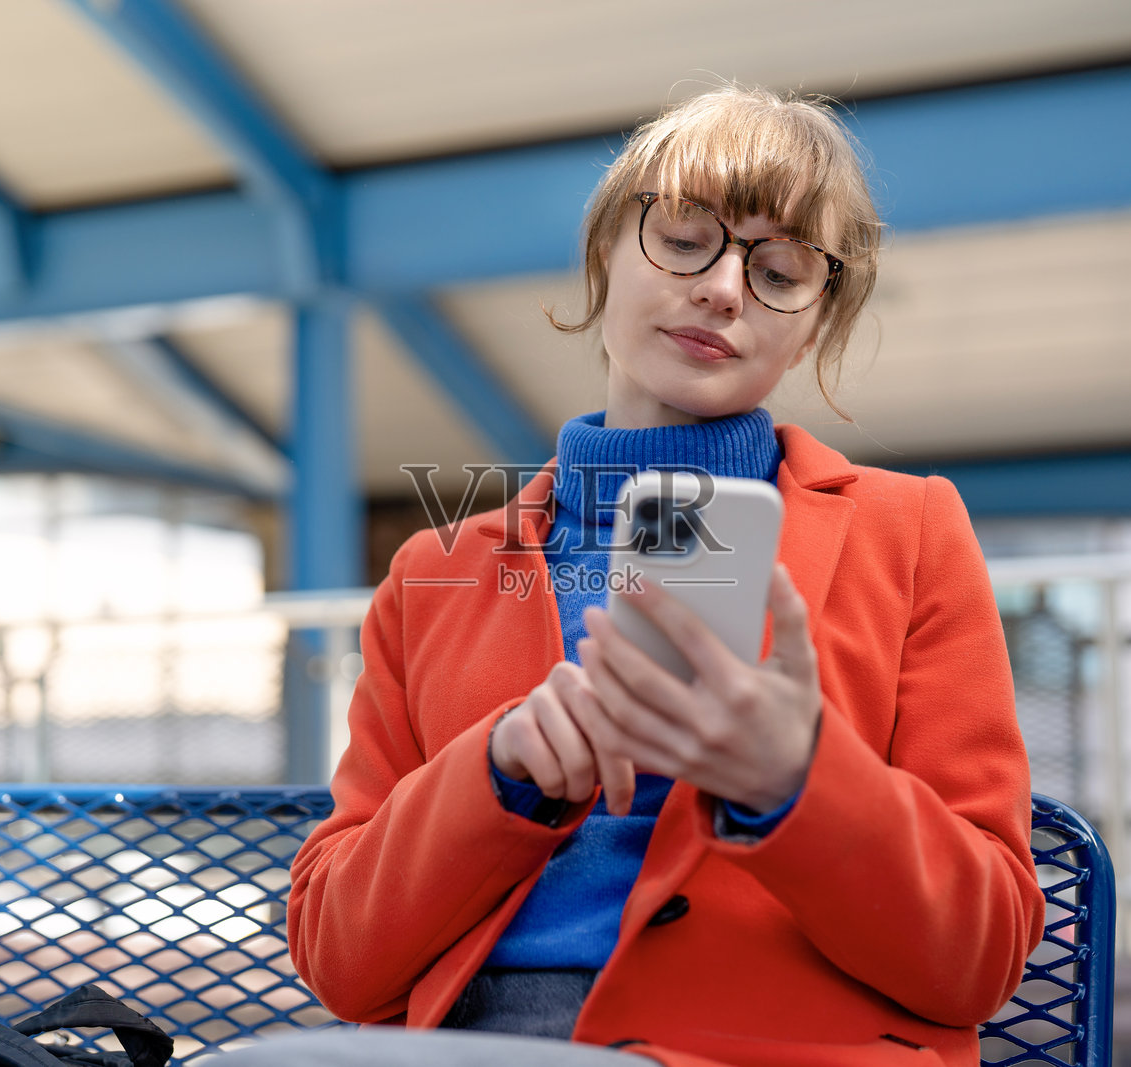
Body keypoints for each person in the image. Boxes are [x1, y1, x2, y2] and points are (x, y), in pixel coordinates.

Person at [280, 84, 1046, 1067]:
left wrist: (796, 778)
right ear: (604, 252)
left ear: (810, 328)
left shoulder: (910, 532)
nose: (724, 289)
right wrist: (499, 773)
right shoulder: (434, 570)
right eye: (685, 238)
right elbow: (340, 957)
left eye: (780, 270)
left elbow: (977, 958)